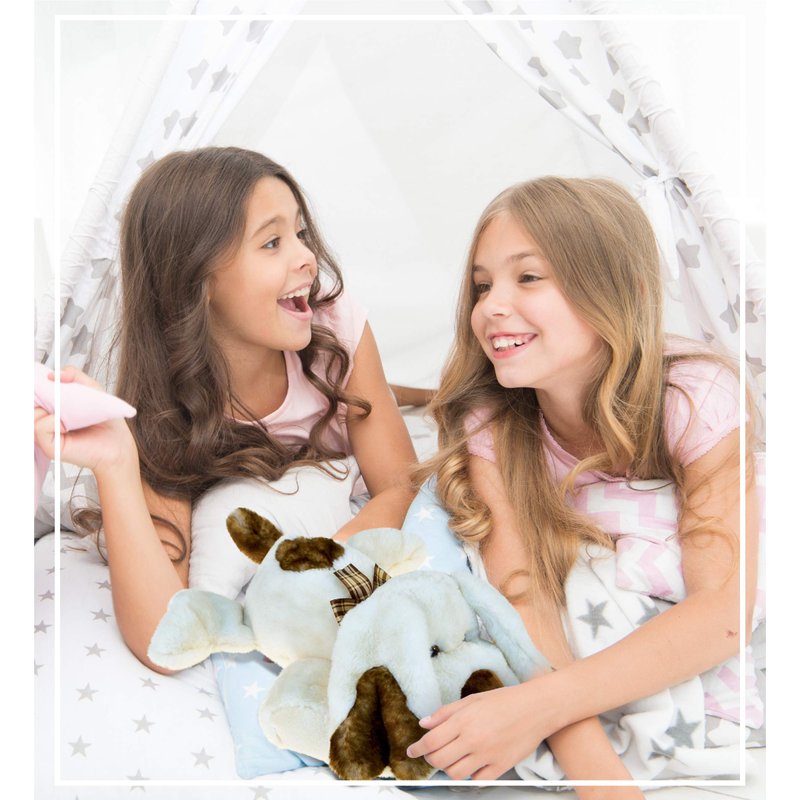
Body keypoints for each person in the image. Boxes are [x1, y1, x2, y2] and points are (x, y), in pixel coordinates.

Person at [405, 176, 759, 794]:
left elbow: (724, 610)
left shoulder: (693, 396)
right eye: (482, 286)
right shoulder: (492, 423)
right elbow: (525, 601)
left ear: (618, 291)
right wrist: (600, 780)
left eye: (528, 277)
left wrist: (538, 708)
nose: (491, 307)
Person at [33, 146, 418, 675]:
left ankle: (422, 394)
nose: (306, 258)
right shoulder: (165, 413)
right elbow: (163, 642)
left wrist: (319, 564)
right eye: (272, 242)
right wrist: (116, 464)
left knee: (410, 397)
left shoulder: (337, 330)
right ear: (199, 279)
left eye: (301, 233)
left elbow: (401, 487)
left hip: (339, 425)